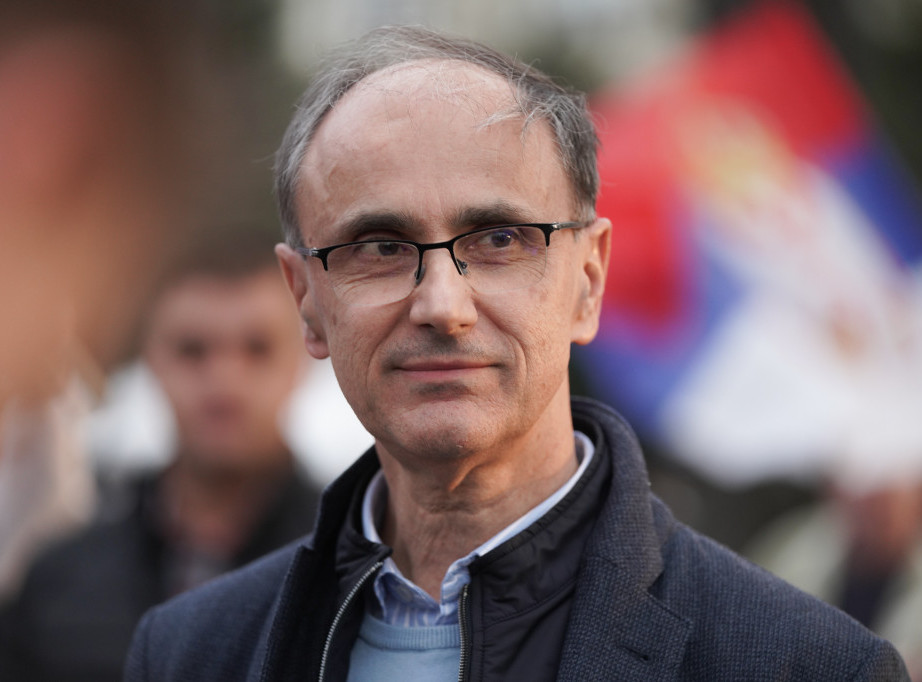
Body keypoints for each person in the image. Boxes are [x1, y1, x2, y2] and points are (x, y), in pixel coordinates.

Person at [124, 26, 909, 680]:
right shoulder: (189, 653)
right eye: (381, 247)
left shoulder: (805, 666)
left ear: (588, 280)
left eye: (499, 240)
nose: (442, 305)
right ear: (306, 300)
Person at [0, 234, 322, 682]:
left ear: (304, 358)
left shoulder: (350, 569)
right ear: (150, 360)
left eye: (257, 349)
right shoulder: (57, 582)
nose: (224, 382)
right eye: (192, 350)